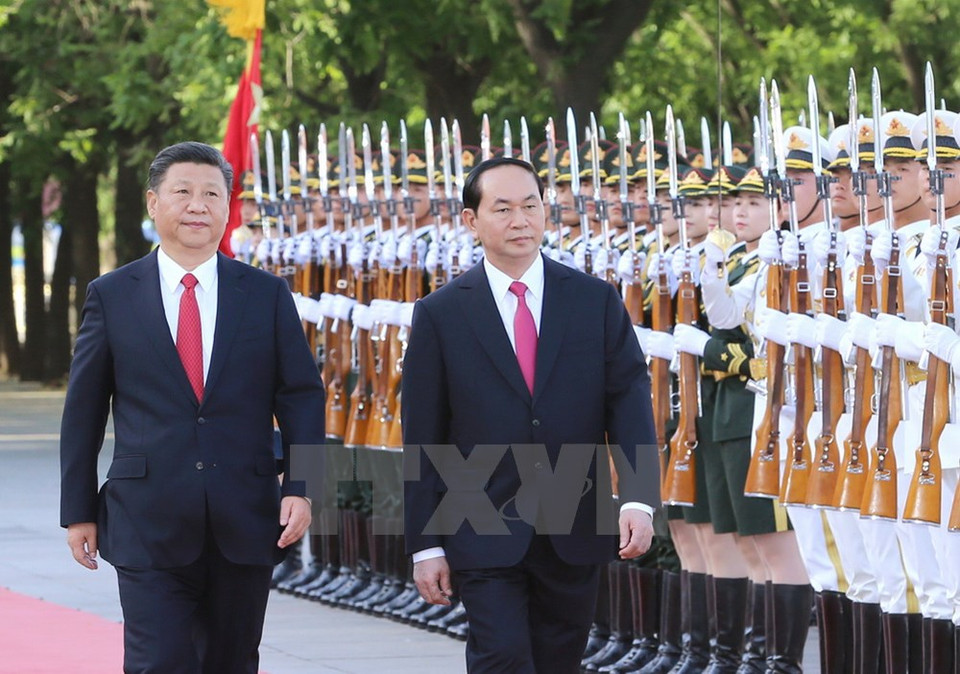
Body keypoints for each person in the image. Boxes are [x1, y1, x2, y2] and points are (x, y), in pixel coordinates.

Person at [59, 141, 326, 673]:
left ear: (230, 207)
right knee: (157, 661)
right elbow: (84, 409)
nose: (198, 205)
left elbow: (300, 395)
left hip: (245, 516)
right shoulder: (112, 295)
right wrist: (78, 511)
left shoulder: (265, 294)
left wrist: (303, 487)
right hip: (146, 517)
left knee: (231, 661)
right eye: (183, 192)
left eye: (212, 194)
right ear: (154, 202)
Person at [401, 156, 659, 673]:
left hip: (574, 516)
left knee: (558, 660)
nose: (520, 220)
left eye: (530, 206)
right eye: (503, 209)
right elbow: (423, 438)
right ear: (472, 221)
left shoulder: (594, 301)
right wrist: (424, 545)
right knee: (502, 658)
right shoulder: (441, 313)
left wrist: (638, 498)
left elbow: (628, 402)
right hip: (481, 520)